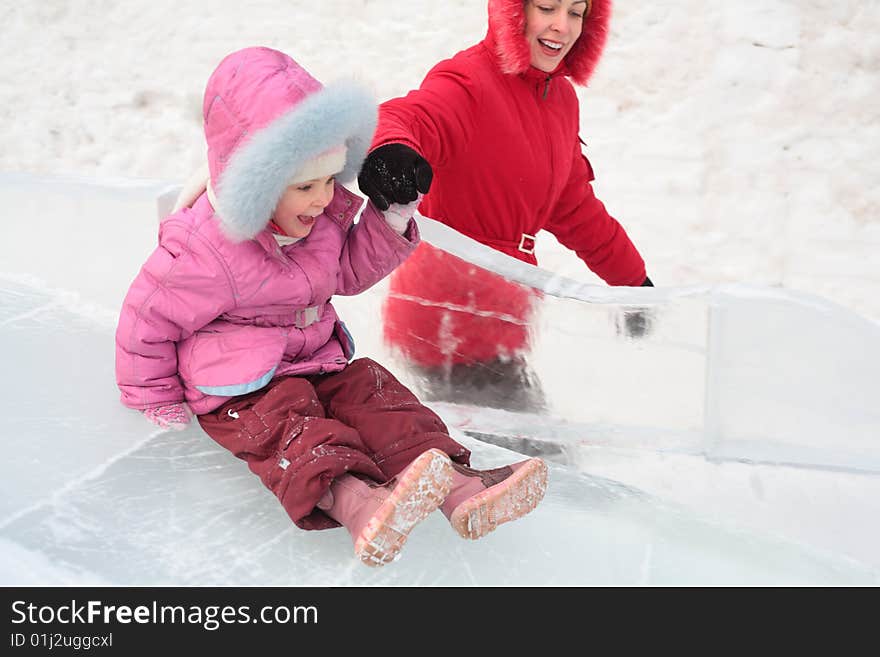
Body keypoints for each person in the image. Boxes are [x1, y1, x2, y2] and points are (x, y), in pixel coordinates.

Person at [114, 47, 547, 568]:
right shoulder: (202, 246)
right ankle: (359, 502)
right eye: (304, 186)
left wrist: (389, 220)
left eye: (328, 179)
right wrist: (151, 395)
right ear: (259, 182)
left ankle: (453, 484)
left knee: (373, 391)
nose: (322, 199)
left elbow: (345, 273)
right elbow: (147, 318)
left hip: (318, 359)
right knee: (293, 429)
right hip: (241, 389)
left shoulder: (318, 218)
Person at [358, 0, 653, 412]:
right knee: (535, 460)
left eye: (575, 12)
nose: (561, 27)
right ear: (515, 12)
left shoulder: (561, 99)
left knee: (532, 462)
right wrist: (391, 151)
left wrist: (631, 282)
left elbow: (573, 206)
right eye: (547, 7)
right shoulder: (468, 82)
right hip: (445, 326)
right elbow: (406, 117)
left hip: (502, 324)